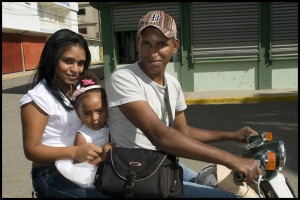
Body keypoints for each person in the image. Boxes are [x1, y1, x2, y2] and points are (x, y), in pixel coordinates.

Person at [105, 10, 261, 198]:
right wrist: (230, 159)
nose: (153, 52)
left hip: (164, 162)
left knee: (218, 182)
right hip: (137, 171)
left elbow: (183, 132)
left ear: (175, 46)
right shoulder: (123, 78)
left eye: (161, 43)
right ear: (138, 43)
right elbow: (159, 135)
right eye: (146, 43)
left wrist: (232, 135)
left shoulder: (172, 84)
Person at [20, 29, 110, 198]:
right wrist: (75, 152)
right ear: (52, 59)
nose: (75, 69)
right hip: (50, 172)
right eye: (68, 61)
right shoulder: (37, 98)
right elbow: (31, 150)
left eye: (81, 63)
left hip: (87, 163)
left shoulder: (80, 90)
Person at [55, 71, 115, 189]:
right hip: (94, 178)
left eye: (99, 111)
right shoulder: (82, 136)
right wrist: (102, 157)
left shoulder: (111, 124)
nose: (95, 118)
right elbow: (80, 169)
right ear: (78, 114)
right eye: (87, 113)